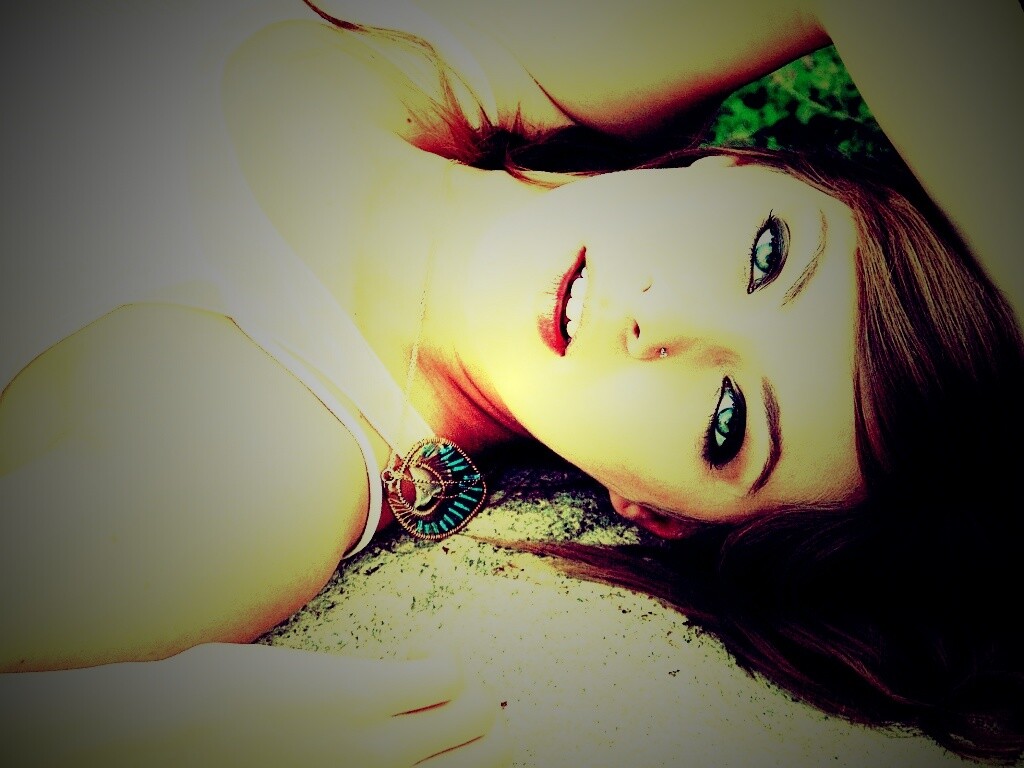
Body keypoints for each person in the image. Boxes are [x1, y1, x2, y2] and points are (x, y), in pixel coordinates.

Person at [1, 0, 1021, 764]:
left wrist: (106, 730)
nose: (660, 322)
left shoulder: (259, 466)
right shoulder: (500, 62)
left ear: (657, 514)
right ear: (746, 171)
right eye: (766, 254)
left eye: (726, 422)